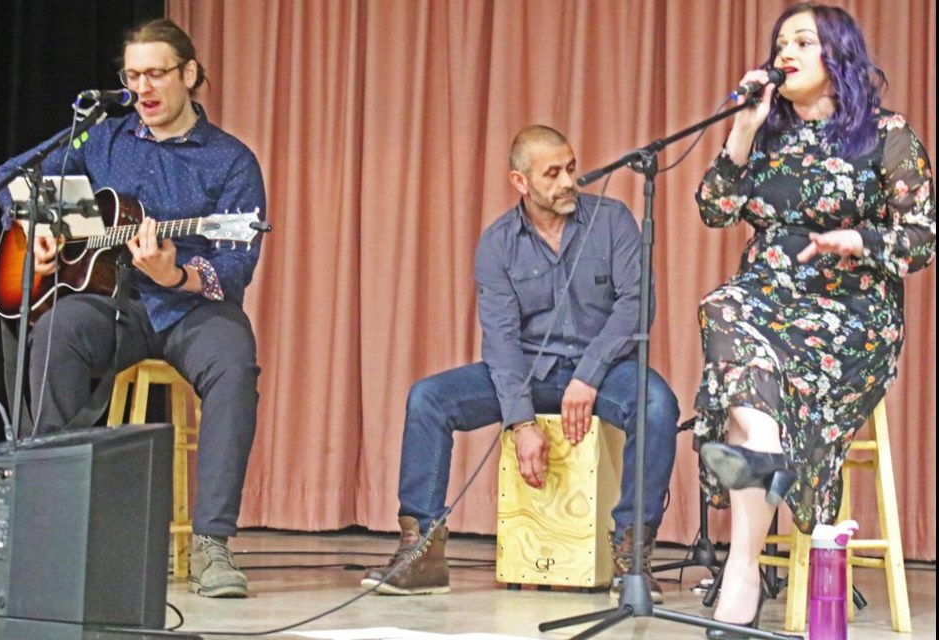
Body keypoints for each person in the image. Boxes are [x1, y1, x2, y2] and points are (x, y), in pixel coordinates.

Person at [0, 19, 266, 598]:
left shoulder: (231, 162)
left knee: (234, 362)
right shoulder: (104, 139)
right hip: (112, 301)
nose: (143, 87)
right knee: (57, 329)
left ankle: (212, 547)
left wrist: (178, 273)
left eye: (156, 73)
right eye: (132, 75)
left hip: (192, 308)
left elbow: (235, 268)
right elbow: (10, 180)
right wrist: (39, 231)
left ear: (189, 75)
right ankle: (51, 528)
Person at [693, 3, 935, 636]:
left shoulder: (887, 136)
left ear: (838, 56)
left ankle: (741, 574)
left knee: (752, 389)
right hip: (766, 300)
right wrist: (742, 129)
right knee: (723, 307)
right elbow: (715, 210)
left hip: (850, 316)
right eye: (780, 42)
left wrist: (858, 240)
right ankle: (767, 457)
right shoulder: (766, 133)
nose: (785, 52)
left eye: (802, 40)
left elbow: (922, 239)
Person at [361, 125, 680, 601]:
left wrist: (588, 376)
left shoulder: (612, 220)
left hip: (604, 368)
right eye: (552, 173)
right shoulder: (497, 243)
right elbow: (502, 340)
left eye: (571, 167)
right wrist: (522, 422)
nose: (568, 181)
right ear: (520, 182)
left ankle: (632, 557)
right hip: (529, 373)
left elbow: (637, 306)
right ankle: (421, 551)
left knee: (657, 405)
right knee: (429, 398)